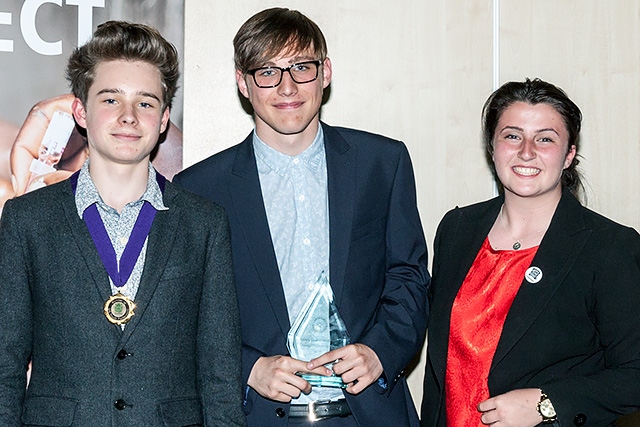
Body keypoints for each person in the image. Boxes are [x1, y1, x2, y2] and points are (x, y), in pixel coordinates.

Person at [173, 7, 429, 427]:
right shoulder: (198, 188)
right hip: (254, 416)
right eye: (268, 71)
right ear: (243, 81)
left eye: (301, 67)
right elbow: (185, 311)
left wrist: (380, 351)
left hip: (368, 413)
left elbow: (409, 276)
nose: (287, 87)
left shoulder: (382, 163)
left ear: (325, 72)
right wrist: (248, 369)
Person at [0, 21, 245, 426]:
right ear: (80, 110)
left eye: (146, 103)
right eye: (111, 100)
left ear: (164, 119)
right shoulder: (27, 219)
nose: (129, 116)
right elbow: (5, 367)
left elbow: (220, 375)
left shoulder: (205, 224)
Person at [420, 78, 640, 427]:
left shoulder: (610, 247)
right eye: (512, 135)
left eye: (545, 139)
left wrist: (548, 403)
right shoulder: (457, 229)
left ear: (569, 155)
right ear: (492, 147)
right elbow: (440, 372)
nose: (526, 151)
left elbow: (634, 375)